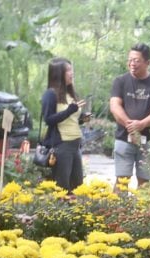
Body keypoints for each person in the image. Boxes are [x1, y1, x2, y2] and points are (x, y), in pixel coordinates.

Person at [109, 43, 150, 191]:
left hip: (148, 140)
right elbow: (115, 106)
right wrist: (131, 125)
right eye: (130, 60)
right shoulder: (120, 81)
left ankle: (142, 212)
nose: (132, 64)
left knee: (145, 181)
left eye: (136, 60)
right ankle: (118, 211)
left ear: (147, 62)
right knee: (121, 181)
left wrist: (142, 124)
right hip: (124, 138)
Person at [40, 58, 87, 192]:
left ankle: (74, 212)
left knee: (77, 184)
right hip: (62, 146)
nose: (71, 73)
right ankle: (60, 211)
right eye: (68, 70)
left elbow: (69, 118)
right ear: (58, 74)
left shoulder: (70, 93)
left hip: (75, 145)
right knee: (62, 187)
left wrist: (82, 119)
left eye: (71, 69)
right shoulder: (50, 94)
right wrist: (68, 111)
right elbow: (48, 119)